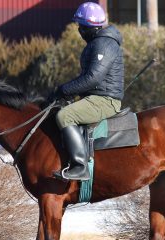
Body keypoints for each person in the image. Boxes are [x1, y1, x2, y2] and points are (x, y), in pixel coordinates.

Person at [52, 2, 124, 181]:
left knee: (64, 116)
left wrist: (64, 90)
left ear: (91, 26)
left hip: (105, 101)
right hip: (96, 97)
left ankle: (80, 166)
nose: (79, 30)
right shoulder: (97, 42)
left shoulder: (104, 44)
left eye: (82, 27)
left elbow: (93, 78)